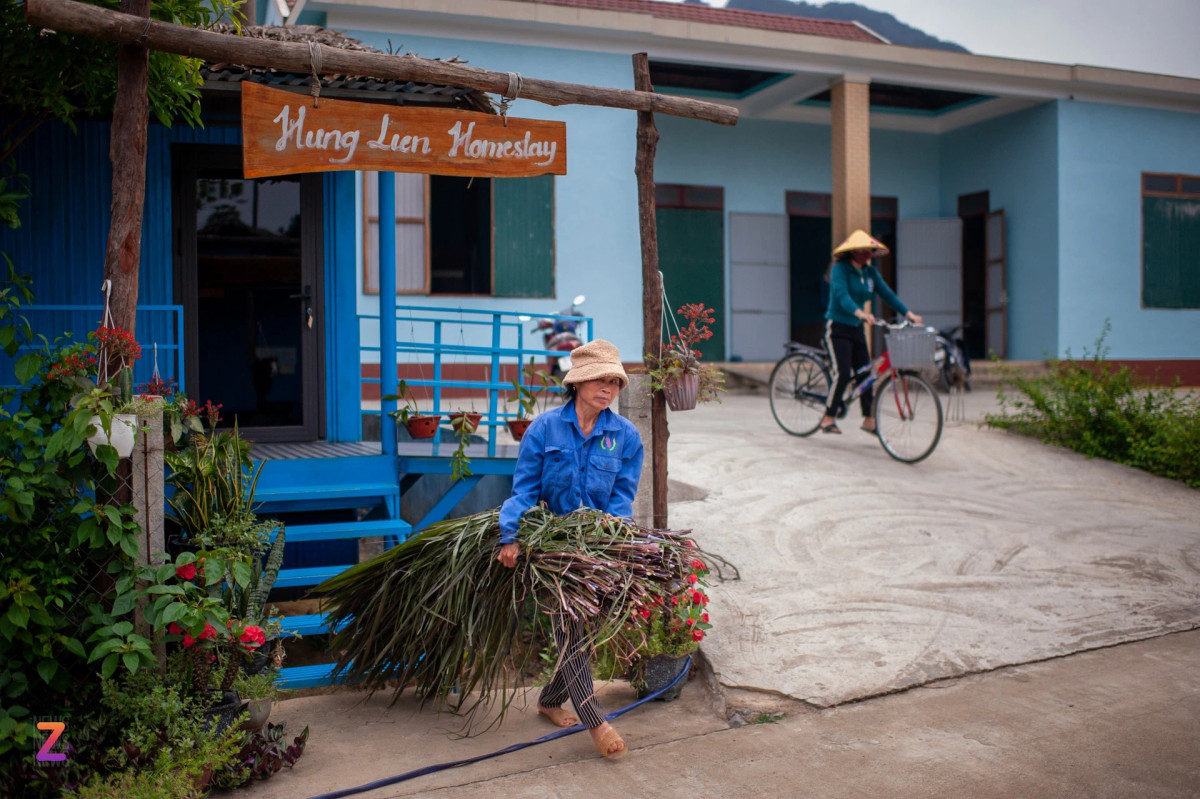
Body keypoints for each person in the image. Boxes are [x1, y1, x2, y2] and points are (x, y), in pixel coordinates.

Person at [496, 339, 644, 761]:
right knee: (571, 628)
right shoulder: (544, 429)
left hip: (594, 545)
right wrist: (511, 536)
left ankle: (549, 699)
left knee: (586, 628)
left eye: (614, 381)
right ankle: (596, 720)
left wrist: (617, 536)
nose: (608, 388)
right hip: (549, 545)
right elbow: (523, 491)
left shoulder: (625, 436)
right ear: (578, 383)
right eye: (600, 379)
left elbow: (621, 498)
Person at [820, 230, 923, 435]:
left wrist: (909, 313)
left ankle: (868, 419)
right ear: (852, 252)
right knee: (842, 373)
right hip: (838, 327)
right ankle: (828, 417)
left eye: (869, 250)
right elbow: (841, 296)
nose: (866, 254)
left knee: (866, 374)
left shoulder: (870, 273)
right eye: (862, 250)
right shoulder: (840, 269)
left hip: (857, 328)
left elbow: (887, 294)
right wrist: (860, 313)